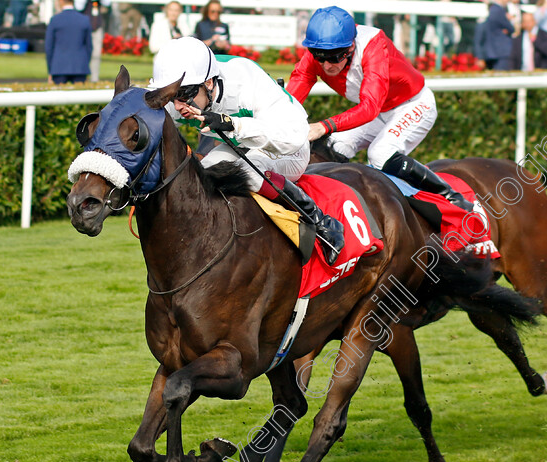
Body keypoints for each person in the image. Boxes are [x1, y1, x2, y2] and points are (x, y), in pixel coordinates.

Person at [151, 36, 344, 264]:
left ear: (209, 83)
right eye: (171, 96)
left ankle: (321, 221)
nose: (177, 106)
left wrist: (233, 124)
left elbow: (294, 137)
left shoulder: (246, 81)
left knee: (239, 169)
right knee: (203, 173)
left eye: (183, 95)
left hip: (287, 150)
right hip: (241, 147)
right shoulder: (190, 90)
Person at [287, 6, 472, 209]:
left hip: (413, 105)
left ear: (350, 48)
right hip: (380, 111)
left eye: (334, 57)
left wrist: (323, 126)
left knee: (380, 153)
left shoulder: (373, 45)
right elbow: (293, 92)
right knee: (332, 146)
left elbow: (369, 108)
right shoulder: (321, 50)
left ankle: (452, 198)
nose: (326, 65)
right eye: (319, 56)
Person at [45, 0, 92, 84]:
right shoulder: (84, 19)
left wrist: (51, 69)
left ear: (61, 1)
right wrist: (85, 63)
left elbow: (49, 47)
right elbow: (89, 47)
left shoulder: (55, 20)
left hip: (59, 67)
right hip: (80, 67)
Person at [74, 0, 110, 83]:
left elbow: (107, 3)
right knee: (82, 52)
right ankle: (81, 77)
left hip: (97, 26)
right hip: (83, 27)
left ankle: (94, 79)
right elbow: (79, 6)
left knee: (96, 54)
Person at [483, 0, 515, 70]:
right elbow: (511, 29)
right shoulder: (499, 11)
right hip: (501, 51)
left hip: (494, 51)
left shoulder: (493, 9)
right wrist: (510, 20)